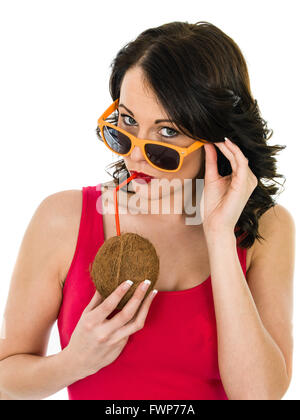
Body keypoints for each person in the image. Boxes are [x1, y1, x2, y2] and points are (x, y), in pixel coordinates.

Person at [0, 21, 295, 400]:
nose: (136, 154)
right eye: (127, 122)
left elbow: (260, 396)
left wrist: (220, 236)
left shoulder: (266, 228)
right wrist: (74, 361)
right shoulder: (63, 219)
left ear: (218, 137)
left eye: (167, 132)